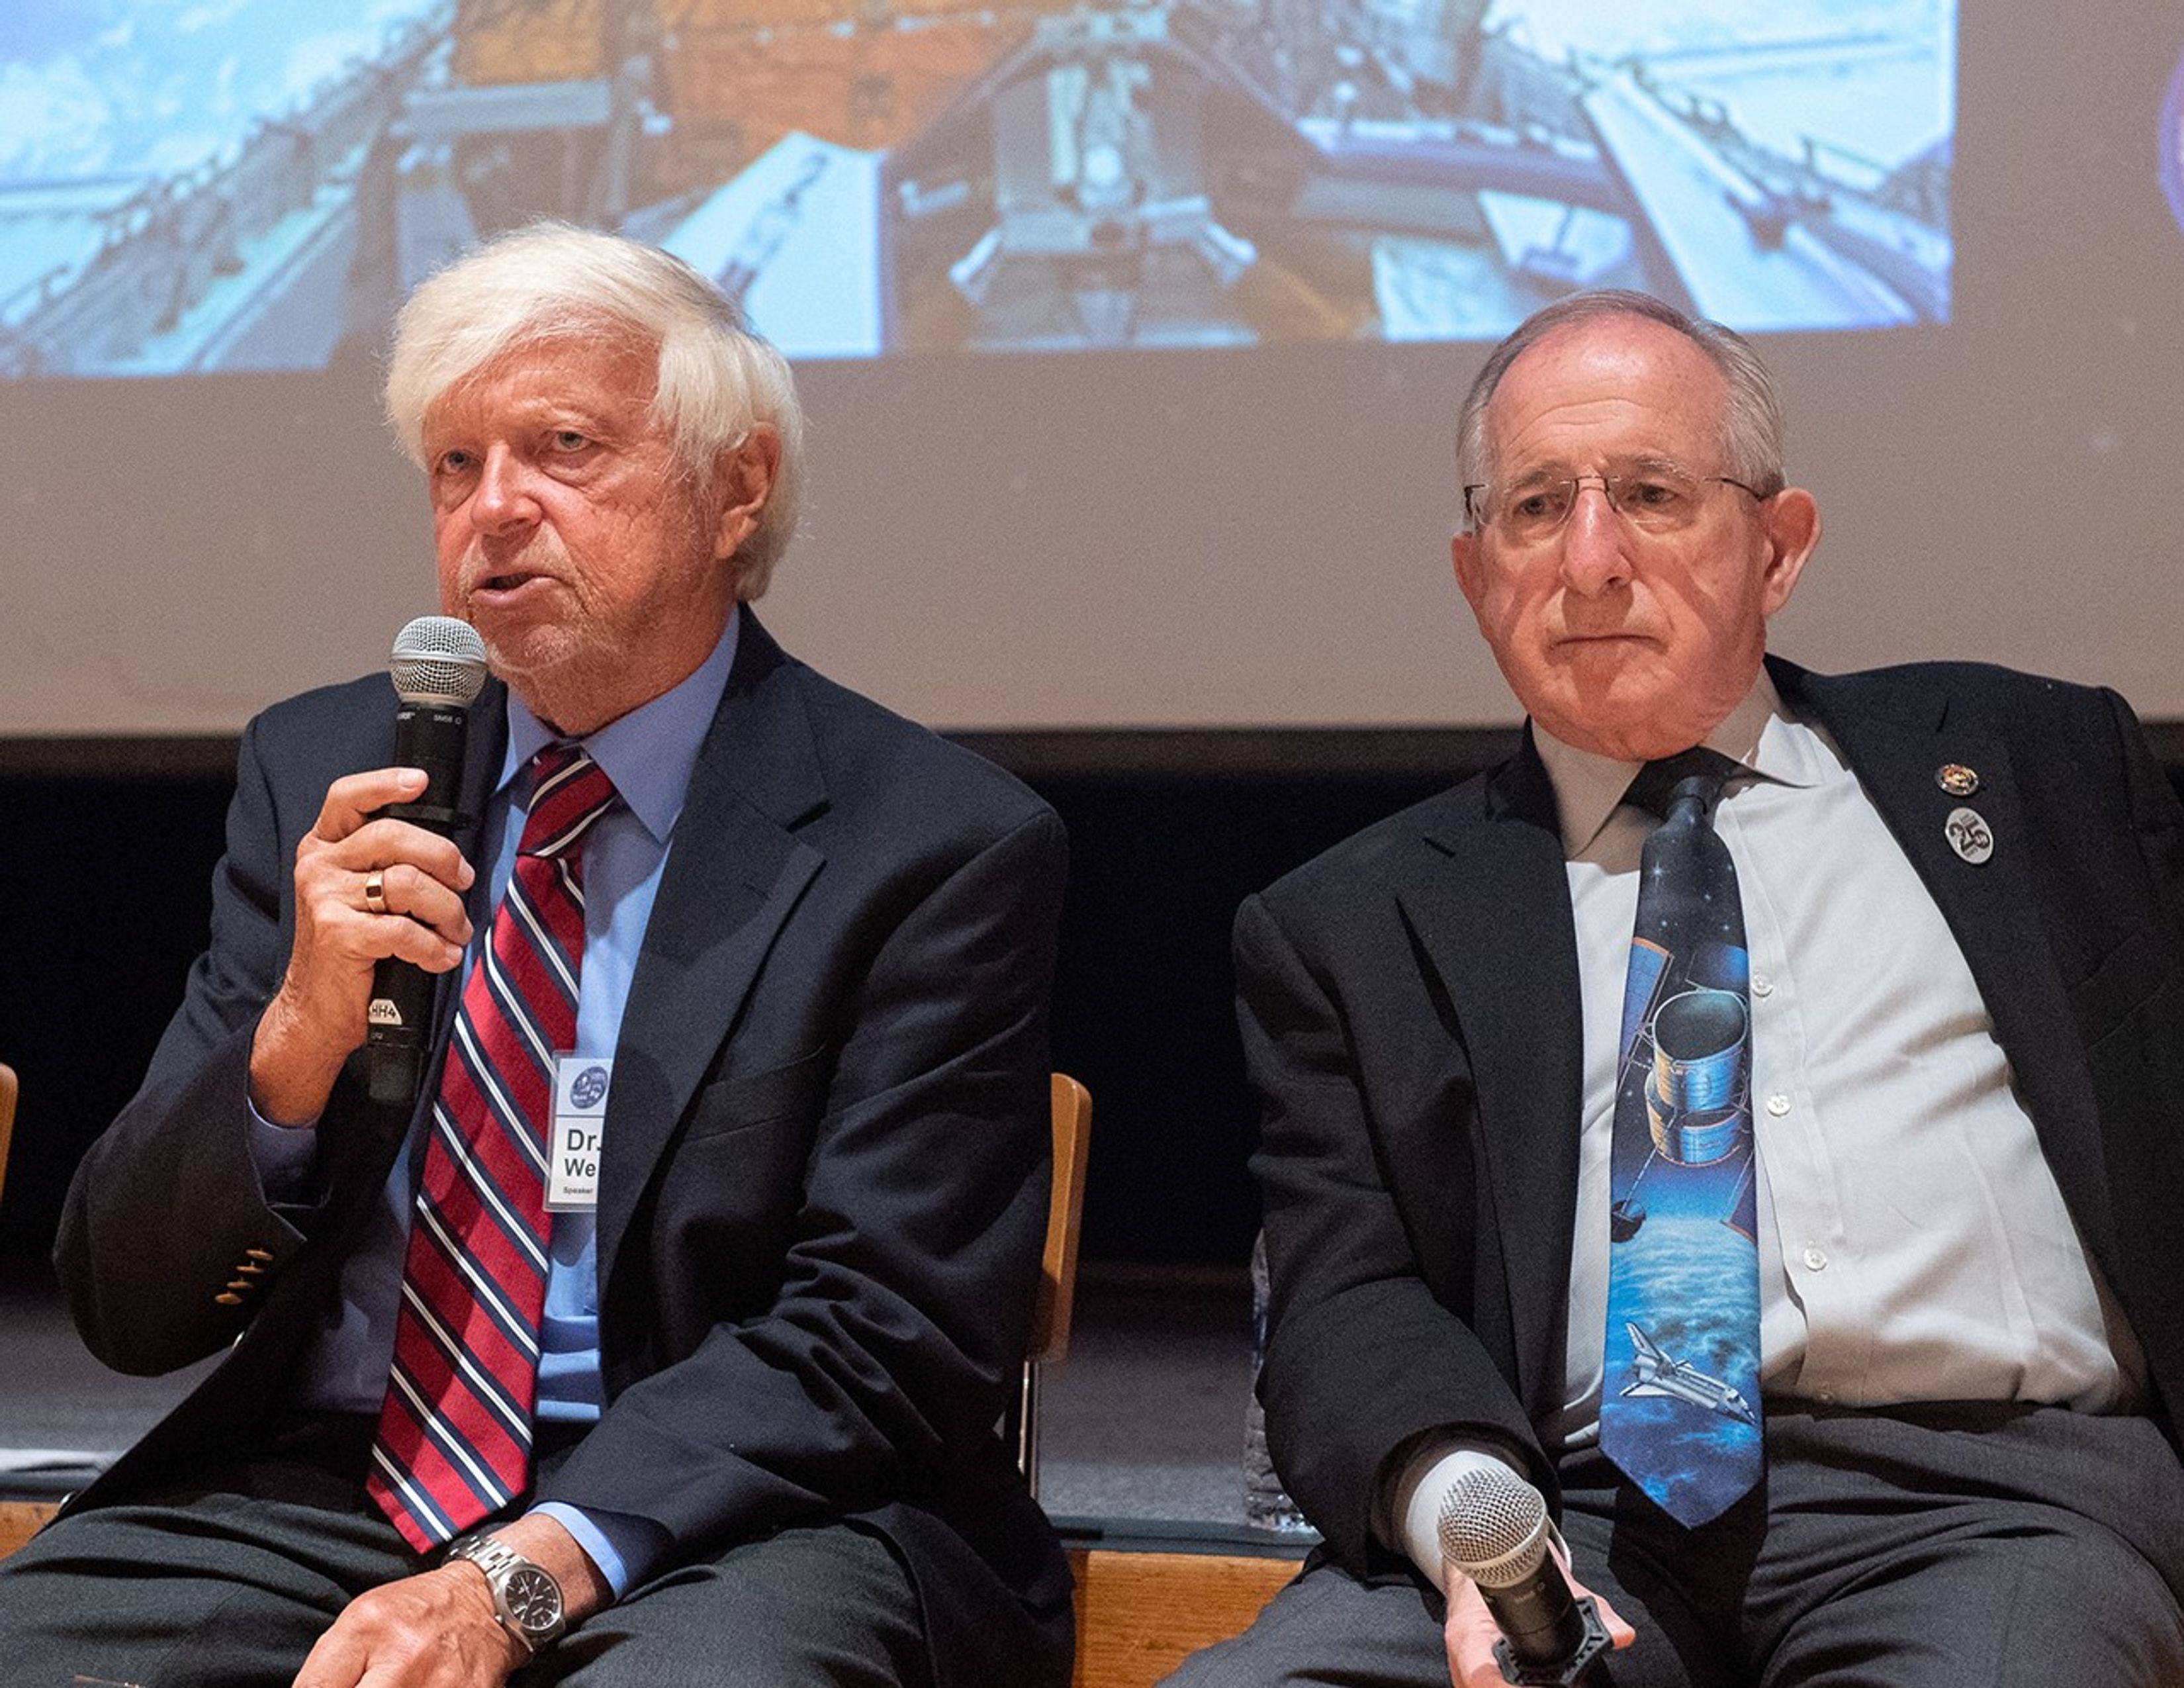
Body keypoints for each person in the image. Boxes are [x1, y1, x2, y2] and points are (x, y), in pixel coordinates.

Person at [0, 222, 1073, 1687]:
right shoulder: (326, 774)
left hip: (745, 1517)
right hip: (334, 1486)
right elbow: (128, 1305)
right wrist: (294, 1042)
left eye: (563, 447)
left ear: (737, 488)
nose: (495, 507)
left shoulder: (932, 844)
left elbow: (882, 1334)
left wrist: (517, 1576)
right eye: (456, 464)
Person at [1171, 290, 2184, 1687]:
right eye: (1537, 508)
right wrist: (1472, 1514)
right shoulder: (1355, 922)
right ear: (1474, 574)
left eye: (1650, 495)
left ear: (1779, 546)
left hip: (1996, 1504)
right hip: (1572, 1514)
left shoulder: (2034, 768)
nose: (1591, 562)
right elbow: (1349, 1301)